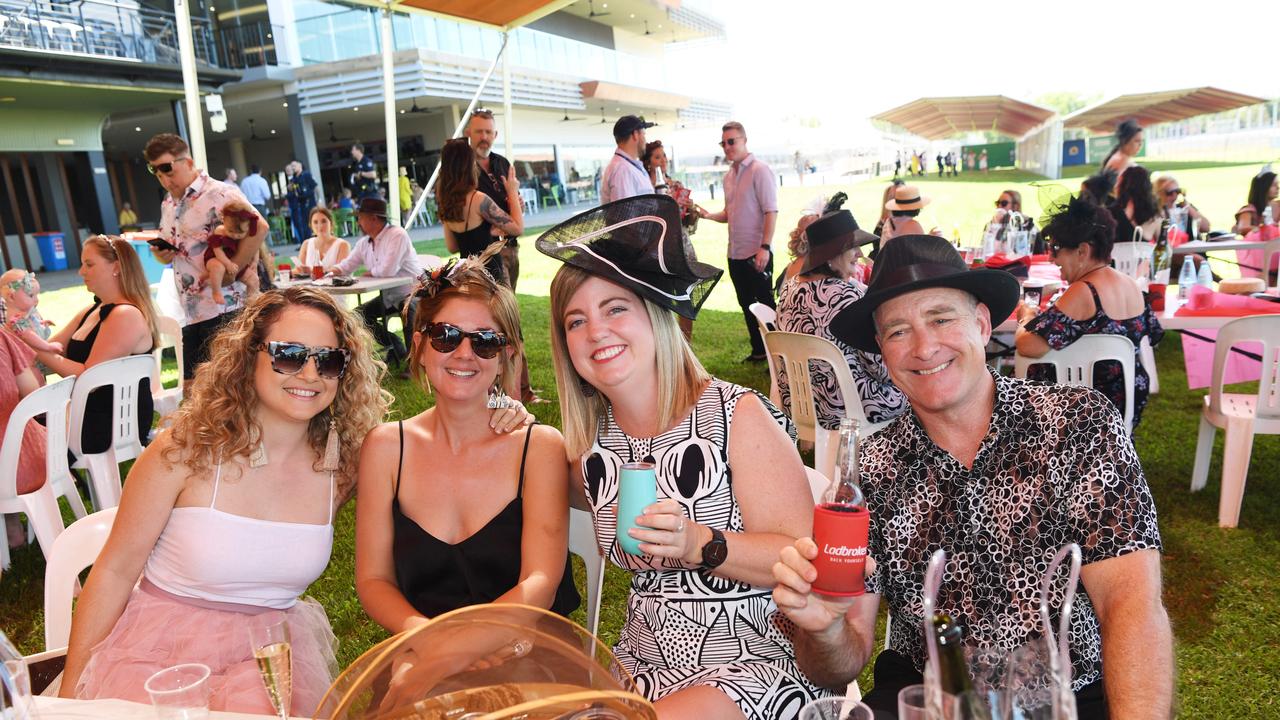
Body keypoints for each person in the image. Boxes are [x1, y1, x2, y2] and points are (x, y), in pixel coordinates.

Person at [774, 233, 1172, 717]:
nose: (923, 347)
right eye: (898, 331)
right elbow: (841, 662)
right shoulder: (872, 472)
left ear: (982, 324)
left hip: (1065, 693)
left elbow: (1131, 603)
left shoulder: (1079, 425)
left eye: (941, 318)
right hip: (924, 693)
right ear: (881, 349)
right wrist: (825, 629)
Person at [539, 194, 825, 719]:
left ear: (655, 315)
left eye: (614, 308)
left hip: (753, 660)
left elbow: (801, 556)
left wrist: (700, 542)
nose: (595, 331)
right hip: (640, 664)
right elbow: (530, 477)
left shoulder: (735, 414)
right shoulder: (594, 444)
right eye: (575, 321)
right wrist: (507, 422)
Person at [60, 288, 388, 715]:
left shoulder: (344, 466)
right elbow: (114, 572)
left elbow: (428, 469)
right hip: (159, 656)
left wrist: (496, 412)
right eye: (288, 354)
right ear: (250, 355)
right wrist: (71, 699)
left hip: (268, 660)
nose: (310, 374)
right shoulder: (184, 451)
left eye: (328, 360)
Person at [355, 241, 577, 635]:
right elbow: (373, 581)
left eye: (485, 341)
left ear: (505, 355)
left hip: (530, 655)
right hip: (423, 652)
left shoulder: (538, 447)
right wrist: (428, 643)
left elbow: (540, 583)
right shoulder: (387, 449)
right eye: (445, 335)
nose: (464, 353)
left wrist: (460, 648)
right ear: (420, 347)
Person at [1015, 197, 1164, 428]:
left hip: (1079, 416)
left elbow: (1028, 346)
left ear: (1082, 250)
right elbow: (1152, 334)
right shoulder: (1132, 285)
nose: (1051, 258)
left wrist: (1027, 314)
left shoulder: (1085, 292)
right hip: (1124, 413)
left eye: (1056, 249)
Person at [144, 133, 267, 380]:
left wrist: (232, 271)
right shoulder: (168, 203)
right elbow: (170, 256)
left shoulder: (219, 193)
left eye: (169, 172)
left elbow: (260, 227)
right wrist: (161, 254)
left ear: (188, 162)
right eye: (158, 174)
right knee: (194, 387)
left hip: (225, 308)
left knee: (229, 386)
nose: (166, 180)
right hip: (191, 311)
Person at [22, 236, 157, 453]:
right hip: (84, 411)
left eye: (89, 264)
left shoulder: (125, 315)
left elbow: (89, 377)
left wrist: (32, 344)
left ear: (116, 267)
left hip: (113, 422)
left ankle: (52, 483)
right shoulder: (90, 311)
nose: (81, 272)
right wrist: (21, 330)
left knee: (20, 434)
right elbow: (47, 350)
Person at [776, 210, 906, 429]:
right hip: (850, 408)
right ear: (830, 256)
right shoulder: (847, 296)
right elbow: (882, 371)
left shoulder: (790, 288)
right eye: (852, 247)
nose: (859, 253)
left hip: (801, 404)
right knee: (920, 388)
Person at [697, 121, 778, 363]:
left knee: (765, 305)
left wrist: (764, 247)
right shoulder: (729, 176)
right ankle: (759, 351)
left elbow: (771, 211)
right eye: (724, 143)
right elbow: (729, 213)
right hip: (735, 253)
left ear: (744, 140)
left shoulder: (759, 170)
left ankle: (778, 355)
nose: (727, 147)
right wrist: (708, 215)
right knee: (746, 304)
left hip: (756, 251)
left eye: (732, 141)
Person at [327, 198, 423, 366]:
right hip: (390, 295)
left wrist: (370, 272)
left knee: (408, 309)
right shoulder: (364, 242)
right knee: (358, 315)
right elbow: (347, 265)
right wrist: (330, 272)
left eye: (360, 217)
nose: (358, 222)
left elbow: (388, 270)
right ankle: (395, 346)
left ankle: (413, 363)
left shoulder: (397, 235)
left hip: (414, 291)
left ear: (373, 218)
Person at [437, 139, 522, 285]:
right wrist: (512, 192)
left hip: (468, 277)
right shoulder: (478, 200)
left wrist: (484, 231)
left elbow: (452, 247)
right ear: (469, 166)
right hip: (491, 276)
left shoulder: (445, 202)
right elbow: (517, 228)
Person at [0, 307, 47, 551]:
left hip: (11, 470)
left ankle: (11, 531)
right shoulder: (3, 336)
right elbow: (32, 390)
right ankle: (13, 530)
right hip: (38, 456)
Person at [465, 109, 524, 291]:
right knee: (499, 309)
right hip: (486, 252)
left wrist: (517, 202)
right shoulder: (463, 168)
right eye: (479, 131)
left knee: (510, 305)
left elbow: (514, 201)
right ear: (468, 133)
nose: (484, 137)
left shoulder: (502, 163)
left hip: (511, 246)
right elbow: (465, 210)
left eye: (488, 132)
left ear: (495, 134)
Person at [202, 199, 263, 305]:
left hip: (236, 261)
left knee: (254, 279)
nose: (235, 235)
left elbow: (255, 247)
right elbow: (218, 251)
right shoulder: (220, 231)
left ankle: (252, 303)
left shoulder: (248, 232)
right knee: (218, 267)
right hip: (217, 258)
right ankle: (216, 292)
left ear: (247, 226)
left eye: (240, 233)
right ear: (223, 220)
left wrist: (255, 262)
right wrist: (227, 264)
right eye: (230, 231)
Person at [1154, 174, 1212, 279]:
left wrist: (1188, 207)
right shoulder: (1155, 212)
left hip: (1189, 251)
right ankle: (1217, 280)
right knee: (1198, 262)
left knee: (1199, 261)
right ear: (1159, 194)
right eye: (1169, 193)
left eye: (1178, 191)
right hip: (1168, 255)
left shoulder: (1184, 209)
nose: (1174, 196)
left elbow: (1206, 227)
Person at [601, 115, 656, 205]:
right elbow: (625, 215)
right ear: (635, 135)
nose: (645, 140)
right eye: (644, 134)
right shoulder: (622, 170)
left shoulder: (627, 166)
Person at [1, 269, 59, 355]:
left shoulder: (27, 314)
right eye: (31, 295)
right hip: (28, 360)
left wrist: (41, 323)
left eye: (37, 295)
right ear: (11, 297)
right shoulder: (15, 320)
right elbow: (28, 336)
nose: (36, 300)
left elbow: (32, 327)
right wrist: (48, 346)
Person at [1109, 165, 1161, 243]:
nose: (1115, 186)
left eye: (1118, 182)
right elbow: (1165, 249)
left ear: (1122, 186)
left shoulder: (1109, 214)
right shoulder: (1154, 217)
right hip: (1142, 254)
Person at [296, 207, 350, 276]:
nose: (320, 226)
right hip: (310, 286)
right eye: (315, 222)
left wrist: (311, 271)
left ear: (331, 223)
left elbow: (340, 271)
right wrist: (286, 272)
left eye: (324, 221)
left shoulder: (342, 245)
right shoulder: (306, 244)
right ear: (311, 225)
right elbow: (298, 270)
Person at [1233, 167, 1279, 236]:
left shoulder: (1278, 206)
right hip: (1255, 245)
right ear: (1263, 188)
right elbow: (1242, 227)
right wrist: (1265, 229)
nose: (1278, 188)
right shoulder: (1249, 210)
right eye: (1273, 185)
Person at [287, 161, 319, 247]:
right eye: (292, 166)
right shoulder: (293, 179)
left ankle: (318, 243)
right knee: (303, 225)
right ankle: (307, 244)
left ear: (300, 165)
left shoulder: (306, 175)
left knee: (313, 223)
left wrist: (319, 200)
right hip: (300, 204)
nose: (293, 168)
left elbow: (315, 187)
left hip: (310, 203)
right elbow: (292, 190)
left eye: (294, 166)